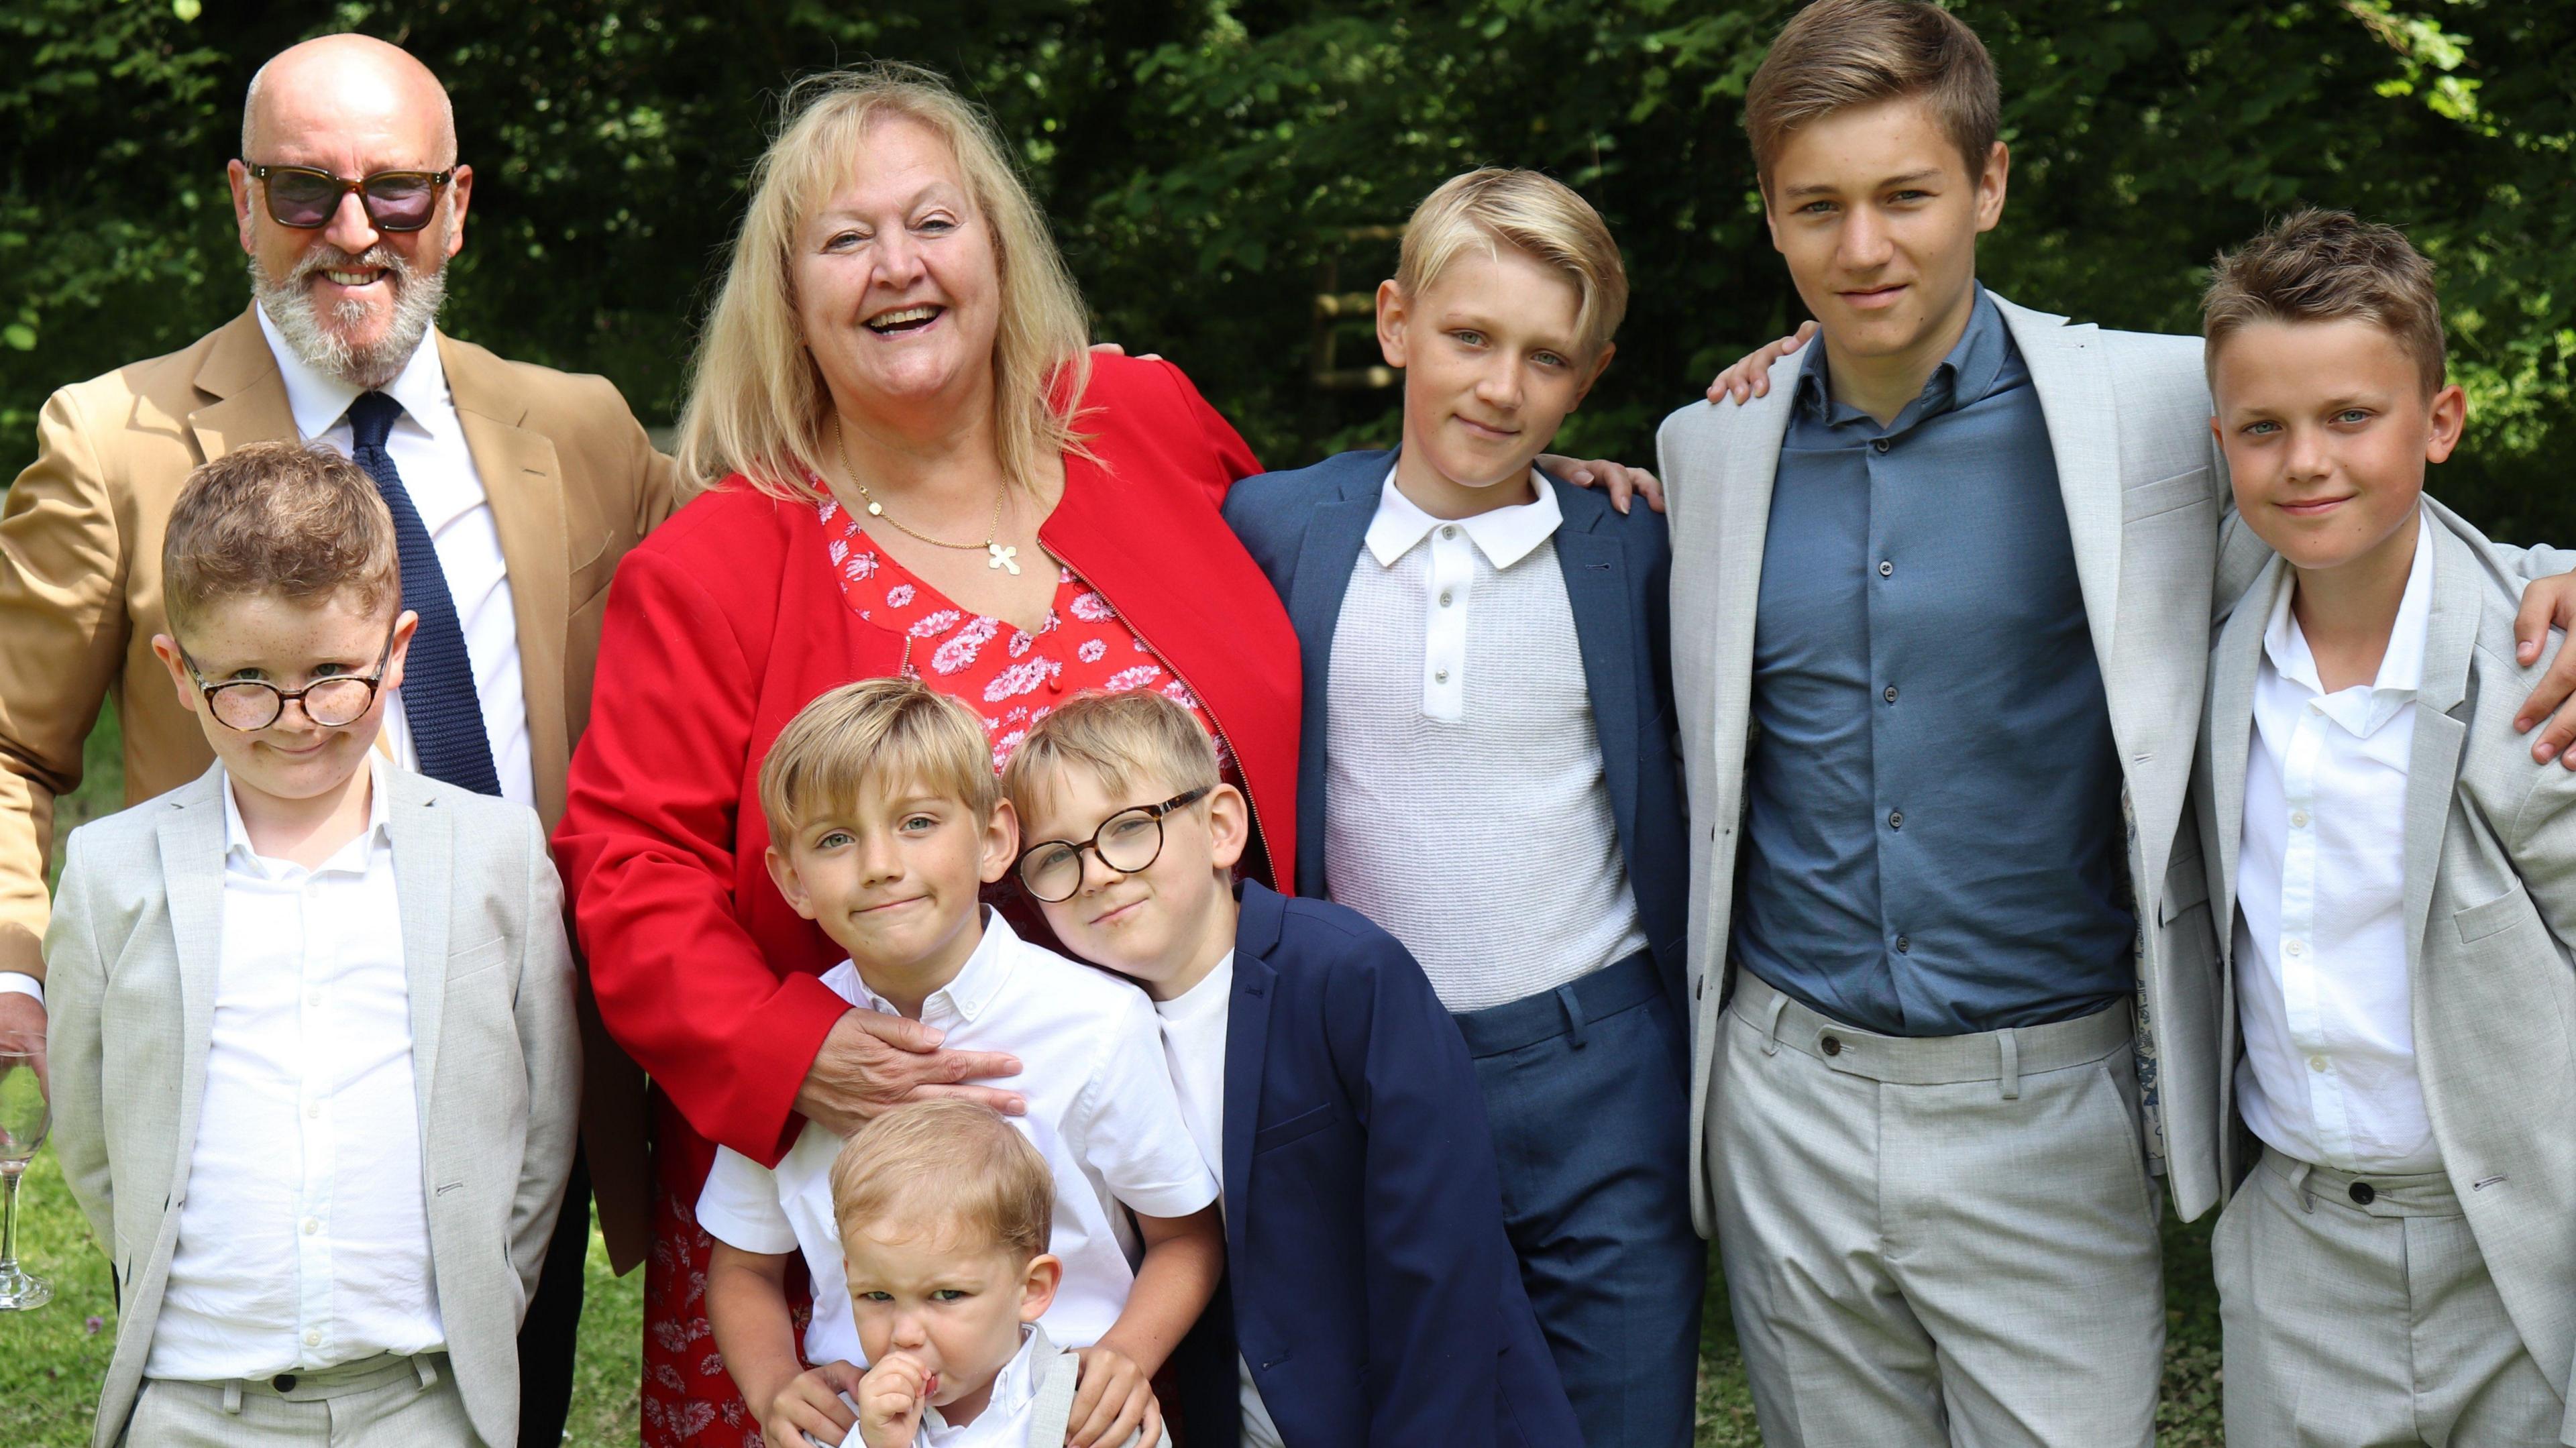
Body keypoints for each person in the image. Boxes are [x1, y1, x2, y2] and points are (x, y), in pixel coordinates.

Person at [1658, 3, 2576, 1443]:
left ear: (1993, 184)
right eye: (1817, 208)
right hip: (1788, 1097)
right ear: (1769, 218)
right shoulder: (1708, 446)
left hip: (2053, 1102)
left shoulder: (2157, 405)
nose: (1864, 249)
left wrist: (2559, 578)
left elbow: (2346, 467)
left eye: (1906, 195)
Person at [0, 36, 675, 1439]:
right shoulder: (109, 439)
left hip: (512, 1070)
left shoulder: (582, 428)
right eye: (306, 192)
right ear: (242, 201)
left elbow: (766, 534)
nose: (354, 231)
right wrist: (18, 966)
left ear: (461, 203)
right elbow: (11, 746)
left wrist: (1005, 395)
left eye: (399, 192)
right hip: (244, 1097)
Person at [1218, 168, 1695, 1446]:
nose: (1500, 386)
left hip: (1598, 1068)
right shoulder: (1274, 528)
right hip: (1372, 1072)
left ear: (1588, 376)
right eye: (1469, 337)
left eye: (1546, 357)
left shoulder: (1637, 545)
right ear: (1394, 323)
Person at [42, 441, 580, 1448]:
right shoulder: (113, 873)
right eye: (244, 680)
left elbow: (540, 1120)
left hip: (427, 1398)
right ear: (177, 667)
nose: (294, 720)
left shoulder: (497, 853)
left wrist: (486, 1293)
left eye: (333, 675)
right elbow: (96, 1129)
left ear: (400, 647)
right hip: (199, 1398)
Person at [2191, 210, 2576, 1448]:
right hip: (2297, 1246)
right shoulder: (2195, 652)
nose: (2307, 459)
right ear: (2222, 443)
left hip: (2521, 1244)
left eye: (2352, 415)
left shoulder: (2543, 653)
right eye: (2265, 428)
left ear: (2443, 421)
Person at [999, 689, 1585, 1448]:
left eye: (1130, 829)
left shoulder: (1344, 972)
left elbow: (1443, 1257)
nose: (1100, 873)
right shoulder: (1091, 1031)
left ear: (1220, 827)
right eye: (1056, 857)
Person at [697, 680, 1221, 1448]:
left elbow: (1187, 1236)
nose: (879, 864)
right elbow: (742, 1267)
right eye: (836, 839)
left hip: (1068, 1424)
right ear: (792, 879)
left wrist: (1123, 1359)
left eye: (917, 822)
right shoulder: (789, 1049)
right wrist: (775, 1383)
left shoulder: (1096, 1022)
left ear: (994, 839)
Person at [834, 1101, 1171, 1448]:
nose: (905, 1335)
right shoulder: (842, 1426)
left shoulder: (1102, 1418)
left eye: (948, 1294)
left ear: (1032, 1289)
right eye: (877, 1296)